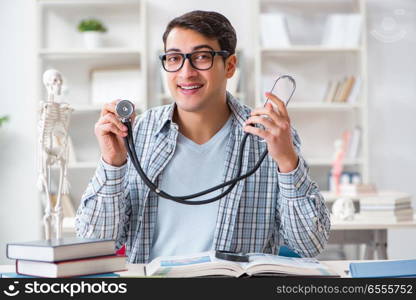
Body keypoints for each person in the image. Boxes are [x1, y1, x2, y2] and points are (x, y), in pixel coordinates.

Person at [75, 10, 331, 264]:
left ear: (229, 66)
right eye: (174, 58)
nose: (186, 72)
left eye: (201, 57)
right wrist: (112, 163)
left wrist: (287, 161)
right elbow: (95, 242)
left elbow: (309, 245)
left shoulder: (270, 137)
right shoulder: (136, 133)